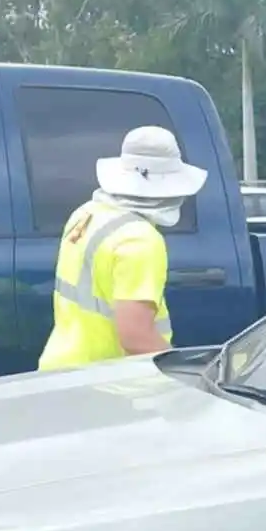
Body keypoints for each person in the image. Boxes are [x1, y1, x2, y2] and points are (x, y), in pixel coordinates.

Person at [37, 126, 210, 371]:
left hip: (63, 370)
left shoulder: (86, 214)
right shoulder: (140, 240)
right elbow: (135, 338)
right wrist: (185, 375)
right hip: (107, 383)